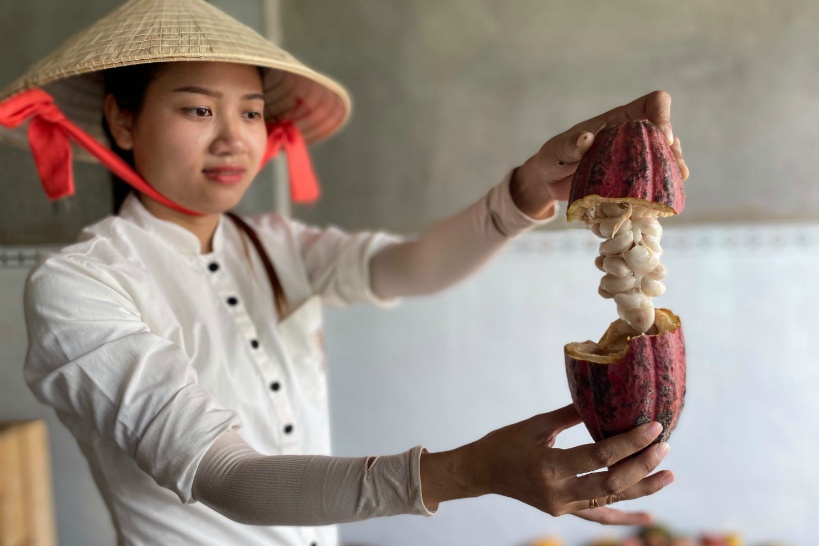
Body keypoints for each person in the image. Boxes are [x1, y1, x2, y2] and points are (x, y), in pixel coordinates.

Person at [0, 0, 689, 544]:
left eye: (250, 111)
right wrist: (469, 471)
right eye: (198, 109)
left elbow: (405, 270)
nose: (233, 137)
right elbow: (226, 477)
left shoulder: (273, 244)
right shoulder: (80, 285)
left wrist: (530, 186)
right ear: (121, 121)